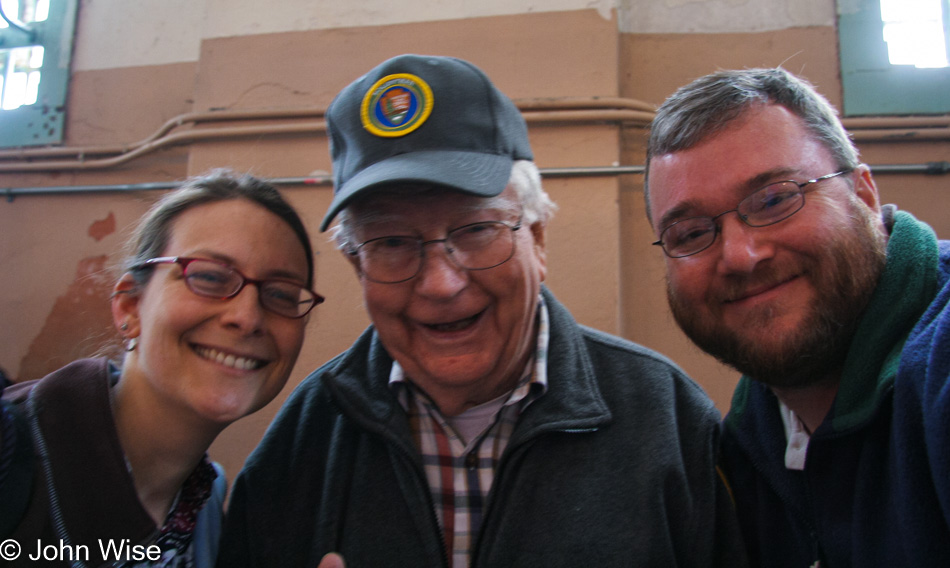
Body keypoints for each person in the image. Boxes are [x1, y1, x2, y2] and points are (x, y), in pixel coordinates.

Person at [217, 54, 747, 568]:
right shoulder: (299, 446)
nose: (441, 283)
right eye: (393, 242)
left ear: (537, 240)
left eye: (475, 230)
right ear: (358, 268)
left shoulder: (668, 421)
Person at [644, 67, 950, 567]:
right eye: (691, 233)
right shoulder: (742, 445)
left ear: (864, 195)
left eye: (775, 199)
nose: (740, 256)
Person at [0, 170, 324, 567]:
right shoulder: (14, 452)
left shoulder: (206, 505)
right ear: (130, 308)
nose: (248, 316)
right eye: (207, 277)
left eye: (281, 294)